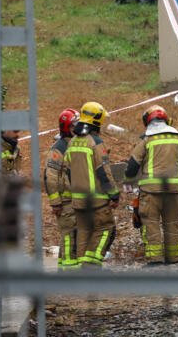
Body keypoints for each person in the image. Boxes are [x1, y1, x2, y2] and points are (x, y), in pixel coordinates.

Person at [125, 105, 178, 266]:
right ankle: (174, 259)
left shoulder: (147, 139)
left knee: (151, 224)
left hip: (151, 192)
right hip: (173, 191)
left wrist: (128, 179)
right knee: (172, 224)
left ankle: (155, 261)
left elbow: (132, 166)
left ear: (147, 121)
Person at [65, 102, 119, 267]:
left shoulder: (73, 141)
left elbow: (67, 170)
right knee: (106, 229)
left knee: (84, 232)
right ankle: (92, 266)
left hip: (78, 201)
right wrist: (114, 194)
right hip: (97, 201)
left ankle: (82, 270)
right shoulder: (95, 142)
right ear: (97, 120)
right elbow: (103, 172)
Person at [45, 108, 80, 270]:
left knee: (76, 235)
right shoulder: (58, 148)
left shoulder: (76, 144)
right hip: (65, 202)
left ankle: (68, 269)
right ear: (66, 127)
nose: (77, 128)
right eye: (74, 126)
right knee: (68, 236)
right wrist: (55, 202)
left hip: (76, 199)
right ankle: (67, 272)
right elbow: (50, 176)